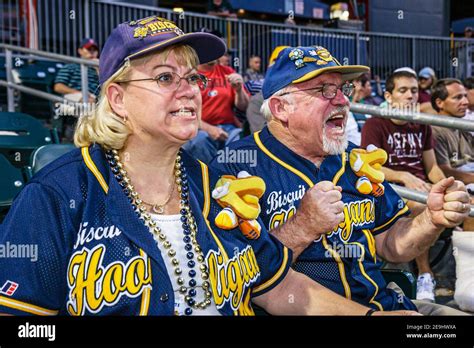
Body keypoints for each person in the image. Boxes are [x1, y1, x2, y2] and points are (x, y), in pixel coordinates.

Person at [0, 17, 405, 317]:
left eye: (192, 77)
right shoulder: (58, 195)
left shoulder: (215, 186)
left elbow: (277, 286)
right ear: (118, 99)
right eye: (164, 77)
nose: (189, 90)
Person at [211, 45, 471, 315]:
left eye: (342, 89)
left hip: (386, 305)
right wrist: (301, 226)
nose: (343, 101)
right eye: (324, 90)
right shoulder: (235, 167)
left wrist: (432, 219)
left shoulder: (356, 162)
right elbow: (244, 276)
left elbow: (392, 246)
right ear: (281, 107)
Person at [361, 69, 446, 302]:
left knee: (467, 204)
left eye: (415, 90)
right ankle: (425, 274)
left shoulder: (422, 124)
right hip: (391, 189)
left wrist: (448, 186)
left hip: (422, 186)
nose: (411, 96)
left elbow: (432, 168)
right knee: (421, 207)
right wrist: (402, 175)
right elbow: (369, 167)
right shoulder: (375, 124)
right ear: (388, 96)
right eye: (403, 90)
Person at [183, 51, 249, 164]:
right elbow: (184, 112)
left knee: (242, 140)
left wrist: (239, 90)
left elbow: (244, 107)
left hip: (228, 129)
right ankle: (207, 178)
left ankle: (236, 179)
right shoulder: (189, 76)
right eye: (207, 48)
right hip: (198, 128)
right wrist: (209, 129)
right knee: (200, 141)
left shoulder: (227, 72)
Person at [431, 78, 474, 231]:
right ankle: (467, 253)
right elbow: (445, 170)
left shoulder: (462, 127)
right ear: (440, 103)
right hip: (455, 186)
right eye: (457, 97)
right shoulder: (436, 130)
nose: (465, 102)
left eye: (464, 96)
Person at [54, 38, 100, 142]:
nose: (92, 52)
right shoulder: (70, 67)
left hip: (93, 100)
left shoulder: (99, 70)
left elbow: (105, 88)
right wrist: (81, 94)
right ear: (80, 51)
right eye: (89, 49)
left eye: (94, 50)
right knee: (89, 104)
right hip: (73, 97)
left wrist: (99, 69)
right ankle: (85, 138)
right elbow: (58, 87)